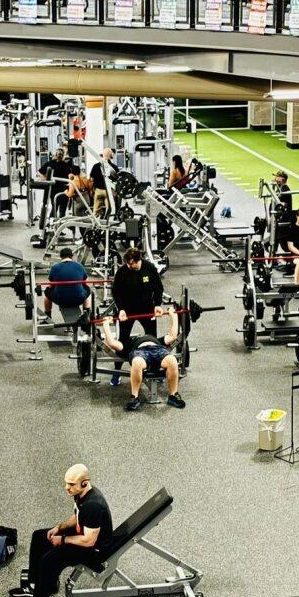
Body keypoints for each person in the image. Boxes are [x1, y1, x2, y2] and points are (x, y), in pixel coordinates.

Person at [10, 464, 114, 597]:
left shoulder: (93, 505)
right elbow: (78, 516)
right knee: (39, 537)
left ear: (85, 483)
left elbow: (89, 541)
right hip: (83, 538)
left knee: (49, 560)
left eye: (71, 484)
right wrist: (59, 528)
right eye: (66, 483)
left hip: (94, 552)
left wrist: (63, 539)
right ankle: (34, 585)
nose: (67, 488)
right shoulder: (82, 494)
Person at [101, 306, 185, 411]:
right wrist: (105, 324)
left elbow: (172, 336)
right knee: (137, 362)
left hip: (157, 349)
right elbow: (112, 343)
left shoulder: (156, 339)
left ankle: (173, 395)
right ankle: (134, 398)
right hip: (139, 352)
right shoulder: (128, 343)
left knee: (172, 360)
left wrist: (174, 315)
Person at [110, 247, 164, 386]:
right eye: (127, 263)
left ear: (138, 260)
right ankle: (116, 374)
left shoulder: (149, 268)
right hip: (127, 311)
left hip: (146, 309)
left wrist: (157, 304)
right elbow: (116, 292)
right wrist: (120, 309)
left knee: (152, 339)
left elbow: (158, 287)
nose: (129, 266)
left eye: (131, 263)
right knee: (121, 341)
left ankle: (155, 371)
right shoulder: (122, 271)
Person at [41, 248, 91, 318]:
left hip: (59, 300)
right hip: (78, 299)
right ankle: (87, 314)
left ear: (61, 256)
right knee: (88, 290)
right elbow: (85, 283)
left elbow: (51, 285)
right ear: (72, 256)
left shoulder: (55, 267)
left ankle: (48, 315)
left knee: (47, 292)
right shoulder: (79, 266)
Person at [39, 148, 72, 218]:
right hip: (61, 190)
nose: (60, 155)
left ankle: (53, 224)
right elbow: (40, 172)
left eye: (61, 154)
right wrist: (46, 179)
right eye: (59, 154)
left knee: (56, 208)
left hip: (59, 190)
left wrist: (46, 179)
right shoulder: (52, 164)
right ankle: (55, 224)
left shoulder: (63, 165)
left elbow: (41, 173)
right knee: (58, 210)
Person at [90, 148, 118, 217]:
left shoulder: (96, 166)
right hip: (109, 192)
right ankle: (107, 223)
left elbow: (91, 179)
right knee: (110, 211)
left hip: (98, 190)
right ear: (111, 155)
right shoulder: (114, 167)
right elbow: (117, 180)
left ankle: (96, 223)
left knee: (96, 211)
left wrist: (92, 189)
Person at [272, 170, 294, 255]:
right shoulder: (280, 189)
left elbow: (281, 205)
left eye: (277, 177)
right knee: (275, 240)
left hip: (283, 220)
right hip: (279, 219)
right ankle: (273, 257)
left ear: (282, 179)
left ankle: (292, 257)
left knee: (283, 242)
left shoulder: (285, 190)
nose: (274, 179)